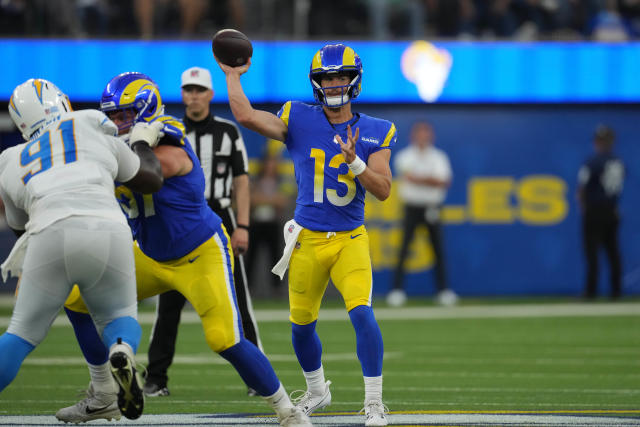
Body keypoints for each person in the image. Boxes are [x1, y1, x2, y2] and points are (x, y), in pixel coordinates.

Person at [55, 72, 311, 427]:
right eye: (113, 116)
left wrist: (118, 153)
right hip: (149, 252)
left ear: (145, 111)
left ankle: (287, 409)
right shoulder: (120, 146)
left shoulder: (166, 138)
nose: (117, 123)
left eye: (125, 115)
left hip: (199, 253)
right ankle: (103, 395)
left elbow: (153, 173)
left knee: (225, 339)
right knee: (75, 300)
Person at [216, 43, 395, 426]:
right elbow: (246, 116)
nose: (333, 84)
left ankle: (374, 401)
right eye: (326, 77)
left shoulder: (376, 130)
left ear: (354, 79)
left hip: (350, 238)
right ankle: (317, 390)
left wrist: (355, 161)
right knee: (300, 328)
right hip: (308, 238)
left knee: (362, 314)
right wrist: (232, 77)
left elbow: (382, 189)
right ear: (316, 83)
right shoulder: (298, 116)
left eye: (340, 76)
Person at [0, 78, 165, 420]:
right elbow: (148, 179)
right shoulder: (90, 121)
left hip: (50, 232)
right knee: (120, 315)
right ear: (60, 102)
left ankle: (105, 380)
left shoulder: (10, 159)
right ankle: (121, 348)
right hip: (108, 226)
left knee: (20, 334)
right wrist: (142, 143)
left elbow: (19, 225)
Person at [143, 66, 262, 397]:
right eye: (188, 90)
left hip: (219, 215)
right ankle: (156, 377)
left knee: (237, 298)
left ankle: (256, 375)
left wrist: (243, 225)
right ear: (182, 94)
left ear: (210, 94)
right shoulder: (166, 131)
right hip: (177, 218)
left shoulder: (228, 131)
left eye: (199, 90)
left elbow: (241, 180)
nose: (193, 96)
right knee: (169, 303)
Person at [386, 121, 457, 307]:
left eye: (426, 133)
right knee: (404, 249)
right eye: (420, 133)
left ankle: (443, 291)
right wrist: (430, 179)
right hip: (412, 207)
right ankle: (397, 291)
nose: (423, 137)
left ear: (431, 136)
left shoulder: (439, 157)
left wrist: (420, 179)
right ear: (413, 136)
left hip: (433, 207)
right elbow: (409, 177)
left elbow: (443, 181)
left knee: (437, 250)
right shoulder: (404, 156)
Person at [577, 124, 625, 300]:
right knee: (612, 252)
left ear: (596, 142)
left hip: (595, 210)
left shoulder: (593, 162)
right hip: (612, 210)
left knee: (593, 252)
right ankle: (616, 291)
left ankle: (591, 292)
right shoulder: (618, 163)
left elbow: (582, 188)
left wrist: (584, 209)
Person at [247, 150, 288, 294]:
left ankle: (276, 289)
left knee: (275, 256)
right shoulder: (255, 180)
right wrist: (271, 199)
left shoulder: (279, 182)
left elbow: (282, 201)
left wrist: (262, 199)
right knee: (251, 257)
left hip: (273, 223)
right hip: (256, 223)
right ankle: (248, 288)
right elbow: (252, 200)